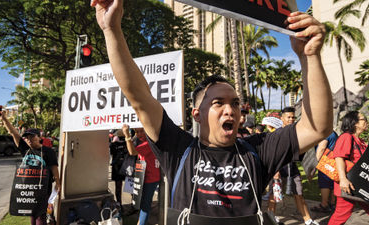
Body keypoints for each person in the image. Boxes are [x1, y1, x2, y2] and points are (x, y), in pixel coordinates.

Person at [91, 0, 332, 221]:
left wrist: (309, 56)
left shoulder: (260, 150)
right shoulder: (179, 150)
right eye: (218, 103)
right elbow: (139, 97)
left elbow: (317, 127)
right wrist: (111, 30)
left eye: (235, 103)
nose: (230, 110)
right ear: (197, 114)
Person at [0, 111, 61, 225]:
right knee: (32, 215)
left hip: (43, 189)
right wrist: (4, 119)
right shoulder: (25, 149)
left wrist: (58, 183)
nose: (29, 139)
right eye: (26, 138)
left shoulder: (48, 151)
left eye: (32, 136)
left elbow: (54, 168)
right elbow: (13, 133)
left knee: (41, 216)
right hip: (28, 189)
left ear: (39, 137)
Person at [268, 107, 319, 225]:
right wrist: (275, 171)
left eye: (293, 117)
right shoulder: (277, 134)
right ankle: (271, 217)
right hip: (278, 169)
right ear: (282, 119)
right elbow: (272, 155)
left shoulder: (296, 133)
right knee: (273, 195)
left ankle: (308, 220)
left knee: (299, 194)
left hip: (293, 168)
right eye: (288, 117)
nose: (291, 119)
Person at [328, 111, 369, 225]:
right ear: (355, 123)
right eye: (363, 119)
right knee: (341, 215)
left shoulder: (361, 141)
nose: (366, 121)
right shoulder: (346, 137)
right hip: (348, 184)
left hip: (360, 184)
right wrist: (343, 179)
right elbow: (339, 157)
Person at [122, 124, 160, 225]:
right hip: (146, 177)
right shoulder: (147, 141)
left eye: (141, 131)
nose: (139, 134)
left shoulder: (148, 143)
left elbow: (132, 152)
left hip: (149, 178)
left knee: (145, 205)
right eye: (137, 131)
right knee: (143, 203)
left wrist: (127, 135)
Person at [310, 131, 338, 213]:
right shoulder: (333, 133)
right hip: (333, 161)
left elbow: (321, 148)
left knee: (324, 183)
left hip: (325, 161)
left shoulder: (325, 133)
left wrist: (315, 163)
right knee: (332, 183)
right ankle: (332, 203)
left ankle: (324, 204)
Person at [109, 129, 127, 208]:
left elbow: (111, 152)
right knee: (130, 186)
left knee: (118, 187)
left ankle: (119, 204)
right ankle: (133, 204)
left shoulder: (113, 145)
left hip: (117, 167)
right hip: (127, 166)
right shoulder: (127, 143)